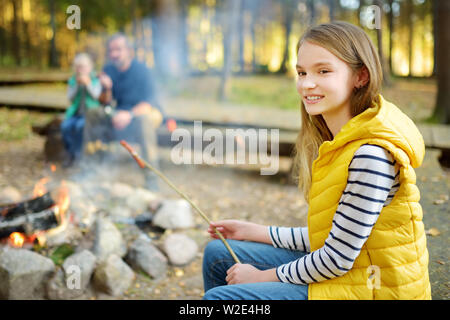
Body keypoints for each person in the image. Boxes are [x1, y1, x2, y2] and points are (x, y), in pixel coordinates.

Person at [202, 21, 431, 300]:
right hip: (351, 274)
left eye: (323, 71)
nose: (306, 84)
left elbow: (336, 258)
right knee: (218, 253)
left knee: (222, 301)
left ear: (361, 76)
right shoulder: (340, 142)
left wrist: (260, 277)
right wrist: (255, 231)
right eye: (301, 72)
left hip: (373, 290)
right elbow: (336, 238)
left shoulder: (370, 155)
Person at [98, 33, 164, 191]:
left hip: (146, 112)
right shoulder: (108, 70)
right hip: (120, 114)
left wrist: (129, 115)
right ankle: (90, 168)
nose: (114, 54)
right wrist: (106, 88)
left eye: (118, 49)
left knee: (144, 121)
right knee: (94, 114)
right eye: (111, 50)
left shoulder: (143, 70)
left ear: (128, 51)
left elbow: (149, 102)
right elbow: (104, 102)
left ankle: (151, 180)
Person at [61, 53, 102, 167]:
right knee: (65, 127)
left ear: (90, 67)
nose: (81, 70)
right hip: (75, 113)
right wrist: (77, 86)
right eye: (78, 67)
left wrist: (88, 84)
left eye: (83, 67)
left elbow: (96, 96)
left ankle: (79, 155)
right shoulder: (73, 81)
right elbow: (70, 98)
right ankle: (70, 153)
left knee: (80, 127)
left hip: (90, 114)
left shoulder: (95, 80)